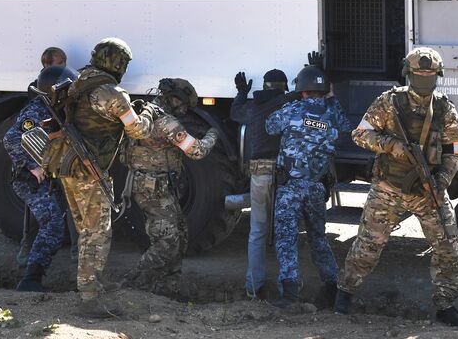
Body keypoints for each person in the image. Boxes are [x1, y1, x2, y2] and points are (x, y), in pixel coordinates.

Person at [334, 47, 458, 326]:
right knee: (368, 245)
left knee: (447, 247)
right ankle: (344, 293)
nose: (423, 78)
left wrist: (441, 181)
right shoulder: (389, 102)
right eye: (419, 73)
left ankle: (446, 305)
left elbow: (454, 152)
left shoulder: (444, 108)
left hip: (428, 190)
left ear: (437, 75)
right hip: (388, 188)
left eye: (429, 74)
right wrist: (390, 145)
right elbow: (360, 134)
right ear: (408, 73)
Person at [59, 37, 161, 318]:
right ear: (118, 64)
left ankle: (93, 283)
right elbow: (137, 130)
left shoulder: (80, 81)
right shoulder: (112, 93)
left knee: (85, 231)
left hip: (69, 165)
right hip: (90, 171)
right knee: (97, 233)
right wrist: (149, 112)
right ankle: (90, 298)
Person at [122, 78, 218, 295]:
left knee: (181, 235)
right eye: (184, 105)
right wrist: (213, 135)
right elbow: (197, 151)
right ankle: (130, 285)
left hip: (158, 186)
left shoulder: (145, 114)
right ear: (174, 99)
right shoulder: (166, 123)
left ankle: (168, 288)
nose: (185, 110)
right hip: (152, 189)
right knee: (167, 243)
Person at [266, 66, 351, 308]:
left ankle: (290, 295)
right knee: (318, 238)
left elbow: (269, 126)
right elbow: (345, 127)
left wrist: (291, 100)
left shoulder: (292, 110)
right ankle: (334, 288)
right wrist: (331, 100)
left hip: (291, 187)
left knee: (286, 237)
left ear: (301, 90)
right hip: (315, 188)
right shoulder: (332, 114)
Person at [3, 65, 78, 292]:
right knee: (53, 223)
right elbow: (11, 140)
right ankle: (30, 280)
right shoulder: (36, 112)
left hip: (49, 174)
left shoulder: (55, 107)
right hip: (31, 178)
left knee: (53, 222)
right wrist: (31, 167)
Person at [230, 68, 295, 299]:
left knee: (257, 230)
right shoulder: (288, 104)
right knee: (284, 231)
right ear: (284, 87)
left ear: (264, 85)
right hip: (281, 175)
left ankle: (253, 288)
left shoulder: (253, 106)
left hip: (258, 173)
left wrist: (241, 92)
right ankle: (285, 288)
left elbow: (235, 113)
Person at [16, 47, 73, 267]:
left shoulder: (67, 83)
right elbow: (31, 127)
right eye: (55, 64)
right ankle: (27, 245)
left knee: (69, 194)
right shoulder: (36, 88)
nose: (59, 67)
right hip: (45, 147)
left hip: (63, 146)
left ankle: (75, 250)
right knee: (36, 196)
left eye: (61, 63)